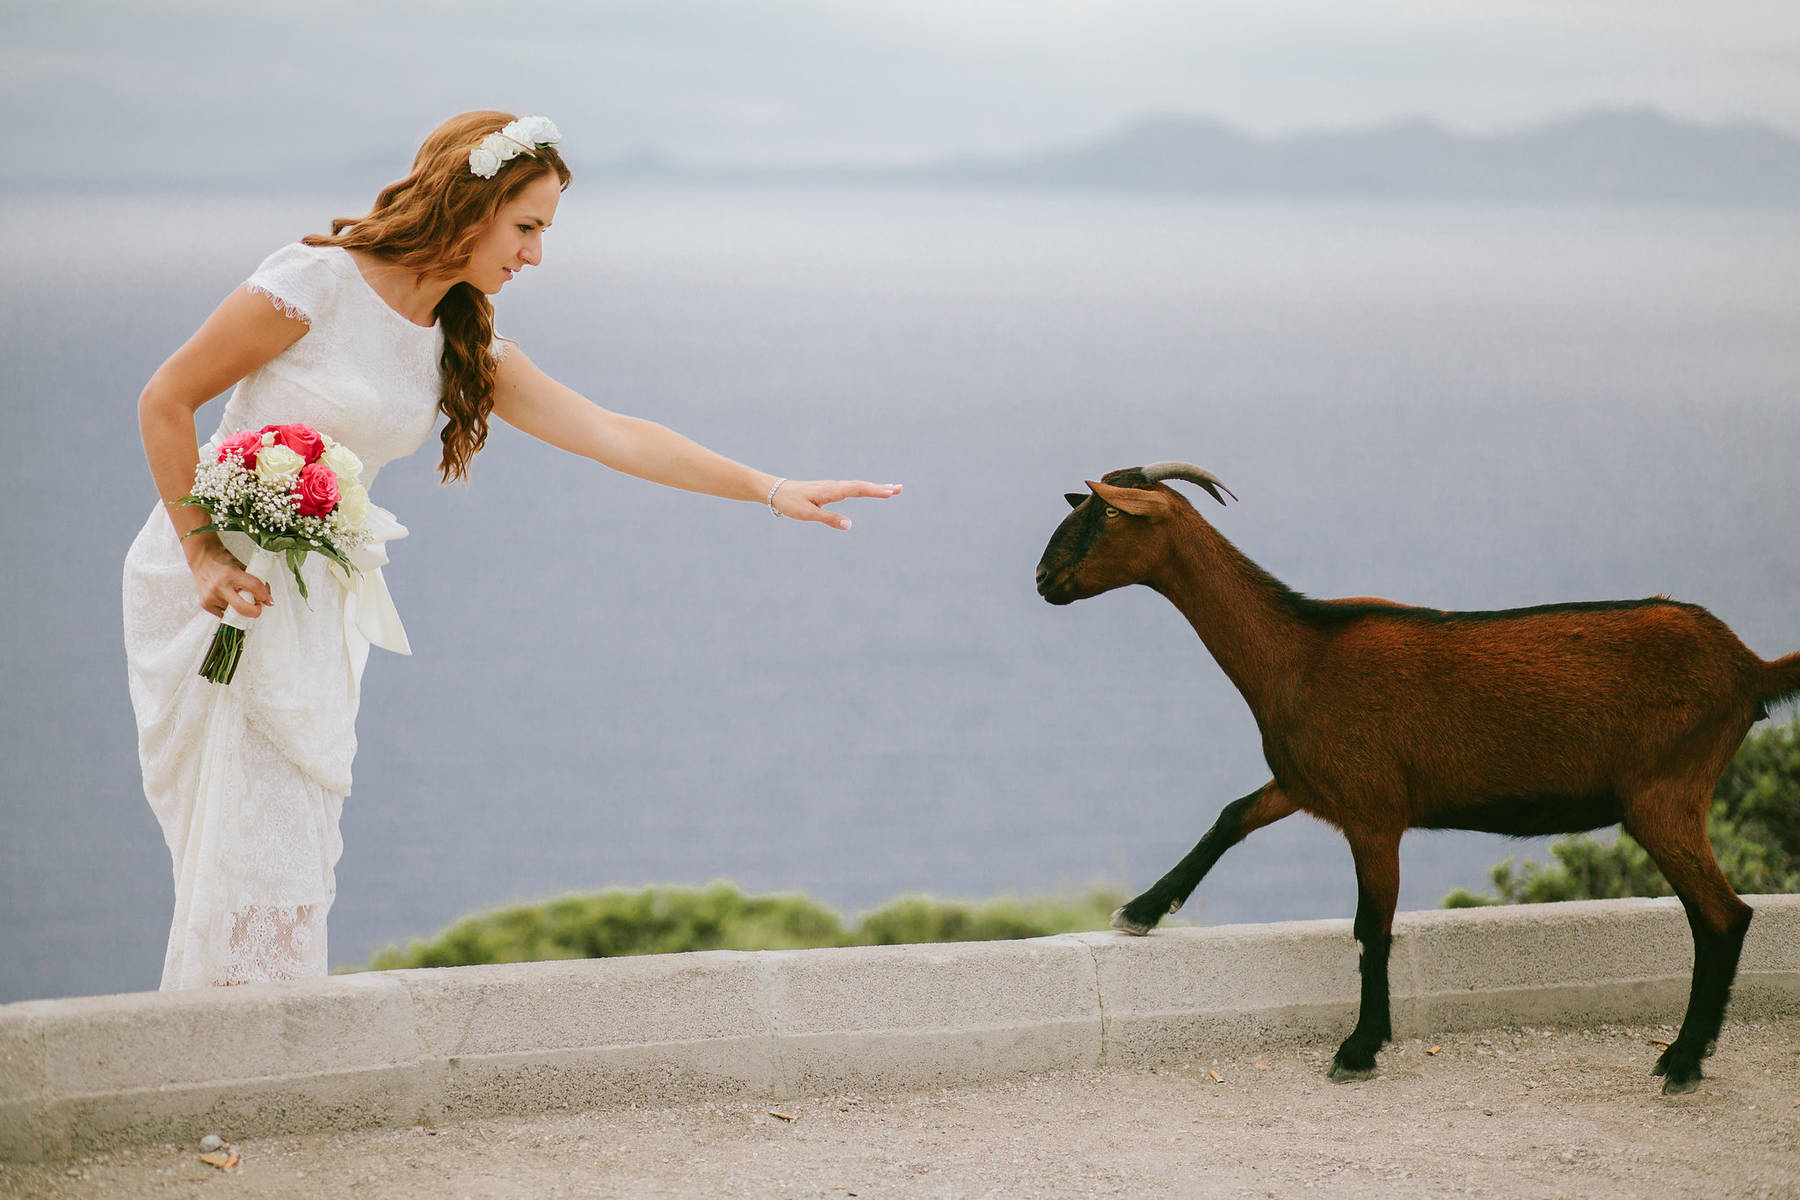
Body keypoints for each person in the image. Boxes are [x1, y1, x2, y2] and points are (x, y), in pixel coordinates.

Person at [124, 110, 900, 990]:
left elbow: (614, 433)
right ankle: (230, 1071)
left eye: (543, 233)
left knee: (287, 843)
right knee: (238, 840)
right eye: (526, 228)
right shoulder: (316, 283)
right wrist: (202, 556)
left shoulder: (462, 337)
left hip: (310, 597)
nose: (534, 256)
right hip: (212, 582)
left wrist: (769, 487)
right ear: (469, 202)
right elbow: (166, 398)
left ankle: (260, 1061)